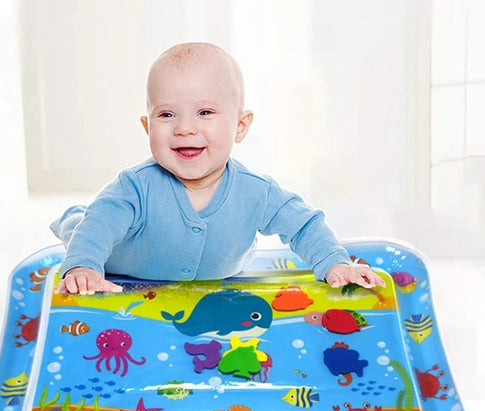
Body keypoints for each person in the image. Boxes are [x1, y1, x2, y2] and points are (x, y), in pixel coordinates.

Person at [51, 42, 385, 295]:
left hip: (219, 279)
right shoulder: (135, 186)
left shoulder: (256, 191)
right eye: (166, 115)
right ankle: (71, 221)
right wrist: (84, 267)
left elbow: (304, 224)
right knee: (85, 225)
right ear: (147, 125)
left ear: (240, 126)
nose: (184, 128)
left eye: (205, 113)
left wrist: (334, 262)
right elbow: (100, 225)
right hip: (123, 260)